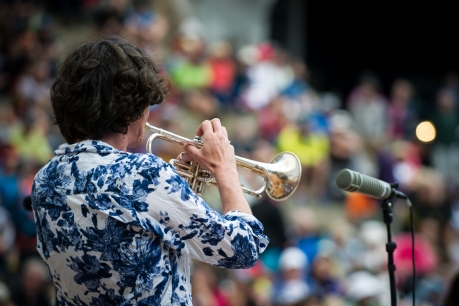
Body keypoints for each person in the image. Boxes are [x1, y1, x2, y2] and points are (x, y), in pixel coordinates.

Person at [31, 36, 268, 305]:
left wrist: (177, 187)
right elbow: (245, 248)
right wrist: (226, 170)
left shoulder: (45, 179)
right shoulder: (144, 174)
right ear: (129, 111)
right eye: (147, 105)